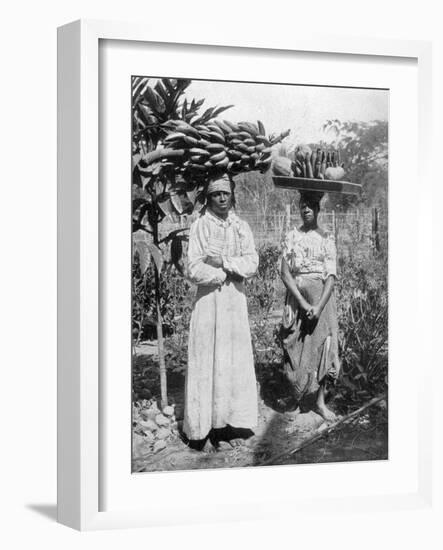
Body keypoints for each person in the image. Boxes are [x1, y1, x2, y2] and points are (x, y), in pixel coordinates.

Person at [183, 174, 259, 451]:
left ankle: (228, 426)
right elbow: (194, 267)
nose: (222, 199)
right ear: (209, 197)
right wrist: (222, 273)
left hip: (234, 302)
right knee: (209, 359)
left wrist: (225, 262)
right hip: (210, 303)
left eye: (226, 194)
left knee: (232, 362)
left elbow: (252, 263)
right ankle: (205, 430)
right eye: (216, 194)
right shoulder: (200, 226)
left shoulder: (241, 227)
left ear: (232, 195)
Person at [279, 191, 340, 421]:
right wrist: (303, 304)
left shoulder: (326, 237)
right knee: (293, 345)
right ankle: (297, 398)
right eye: (302, 205)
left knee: (326, 346)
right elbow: (285, 273)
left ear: (318, 209)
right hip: (297, 298)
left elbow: (331, 276)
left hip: (322, 299)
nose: (306, 209)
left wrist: (318, 305)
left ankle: (321, 402)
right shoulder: (292, 236)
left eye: (311, 205)